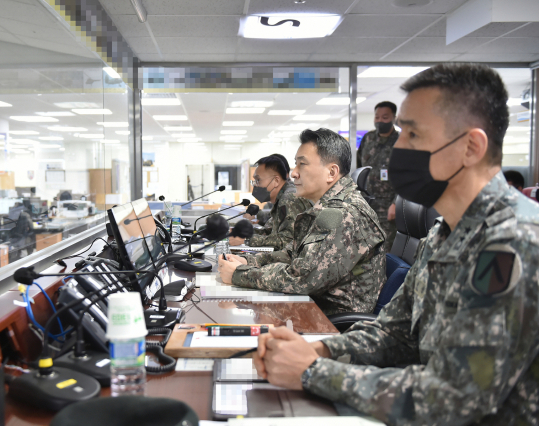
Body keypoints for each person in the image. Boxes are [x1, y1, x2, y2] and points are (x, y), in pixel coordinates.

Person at [251, 64, 539, 425]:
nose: (395, 149)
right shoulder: (443, 233)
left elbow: (456, 396)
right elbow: (395, 332)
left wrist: (312, 371)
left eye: (413, 135)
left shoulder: (514, 241)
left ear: (471, 147)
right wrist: (320, 349)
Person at [219, 129, 386, 315]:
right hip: (311, 306)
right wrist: (249, 260)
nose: (293, 174)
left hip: (331, 321)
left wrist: (240, 274)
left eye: (302, 164)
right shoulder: (326, 208)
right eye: (295, 165)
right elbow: (296, 255)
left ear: (331, 172)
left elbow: (302, 279)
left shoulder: (343, 213)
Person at [229, 154, 311, 251]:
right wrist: (241, 232)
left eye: (258, 180)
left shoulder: (289, 198)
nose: (255, 186)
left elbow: (286, 241)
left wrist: (246, 240)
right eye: (254, 181)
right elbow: (270, 232)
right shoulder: (282, 197)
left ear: (276, 181)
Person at [357, 101, 400, 248]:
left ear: (394, 118)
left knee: (385, 249)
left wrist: (396, 203)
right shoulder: (368, 138)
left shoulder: (401, 141)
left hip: (388, 206)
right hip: (366, 203)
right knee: (364, 248)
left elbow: (407, 176)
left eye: (385, 117)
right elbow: (359, 169)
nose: (380, 121)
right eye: (377, 117)